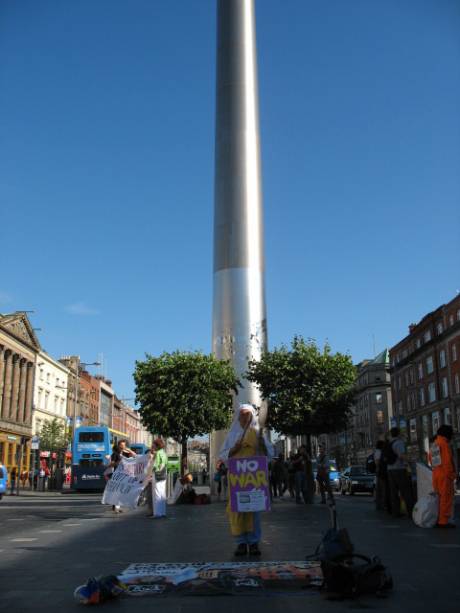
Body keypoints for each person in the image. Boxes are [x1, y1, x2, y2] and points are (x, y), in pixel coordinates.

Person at [219, 403, 274, 557]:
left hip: (253, 479)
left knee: (253, 511)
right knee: (236, 511)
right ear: (239, 417)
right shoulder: (232, 435)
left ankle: (254, 542)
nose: (244, 417)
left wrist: (262, 445)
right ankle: (241, 543)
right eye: (242, 414)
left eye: (247, 414)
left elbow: (269, 455)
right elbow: (222, 455)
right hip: (237, 480)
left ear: (251, 416)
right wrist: (234, 449)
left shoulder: (258, 434)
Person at [431, 425, 456, 528]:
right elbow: (447, 462)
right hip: (444, 475)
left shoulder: (435, 444)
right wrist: (452, 475)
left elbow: (432, 461)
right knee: (446, 499)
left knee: (440, 498)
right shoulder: (444, 444)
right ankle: (443, 521)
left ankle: (439, 519)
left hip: (436, 474)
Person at [385, 427, 414, 518]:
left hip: (390, 470)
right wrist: (410, 461)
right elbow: (401, 455)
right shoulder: (399, 442)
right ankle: (411, 512)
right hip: (399, 469)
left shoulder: (389, 443)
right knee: (405, 491)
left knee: (393, 492)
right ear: (398, 433)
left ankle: (395, 512)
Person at [109, 439, 136, 513]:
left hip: (124, 474)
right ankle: (116, 507)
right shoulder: (115, 454)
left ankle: (118, 506)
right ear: (119, 446)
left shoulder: (125, 453)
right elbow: (111, 464)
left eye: (124, 445)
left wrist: (128, 450)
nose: (123, 447)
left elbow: (134, 455)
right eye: (122, 445)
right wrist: (119, 462)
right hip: (117, 474)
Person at [147, 438, 168, 519]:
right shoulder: (163, 453)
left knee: (156, 493)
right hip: (163, 475)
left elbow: (155, 465)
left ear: (156, 445)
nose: (152, 446)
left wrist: (153, 471)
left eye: (153, 445)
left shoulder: (158, 453)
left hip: (157, 475)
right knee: (162, 494)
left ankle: (157, 513)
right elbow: (164, 463)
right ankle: (162, 512)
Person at [374, 440, 390, 512]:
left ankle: (380, 505)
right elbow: (377, 462)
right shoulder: (378, 452)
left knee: (380, 489)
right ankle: (382, 505)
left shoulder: (377, 451)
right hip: (381, 472)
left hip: (379, 472)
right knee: (383, 489)